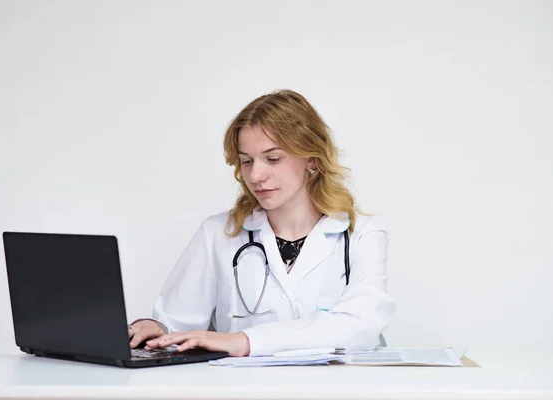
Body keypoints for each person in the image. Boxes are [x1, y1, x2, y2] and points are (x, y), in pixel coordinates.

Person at [128, 89, 394, 357]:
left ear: (311, 158)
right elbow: (176, 326)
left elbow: (360, 325)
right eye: (246, 161)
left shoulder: (362, 234)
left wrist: (244, 341)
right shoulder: (218, 233)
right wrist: (155, 328)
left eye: (273, 159)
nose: (255, 175)